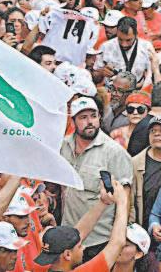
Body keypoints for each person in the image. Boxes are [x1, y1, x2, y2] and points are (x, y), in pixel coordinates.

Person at [59, 97, 134, 259]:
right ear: (73, 121)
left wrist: (118, 239)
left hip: (98, 241)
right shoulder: (63, 146)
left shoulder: (114, 152)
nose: (90, 122)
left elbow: (125, 199)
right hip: (68, 237)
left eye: (93, 116)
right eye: (83, 117)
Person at [34, 179, 129, 271]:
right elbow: (117, 243)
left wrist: (103, 202)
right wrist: (122, 201)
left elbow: (79, 233)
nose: (83, 247)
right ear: (67, 254)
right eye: (79, 246)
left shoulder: (39, 267)